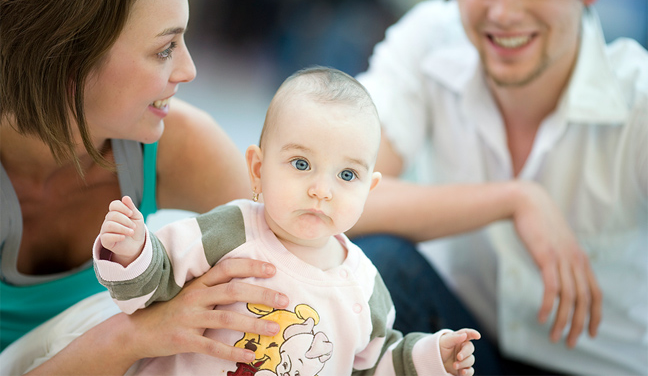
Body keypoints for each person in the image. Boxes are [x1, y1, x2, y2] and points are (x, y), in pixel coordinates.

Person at [350, 0, 647, 375]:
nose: (504, 13)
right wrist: (513, 198)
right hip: (465, 348)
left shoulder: (638, 102)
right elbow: (337, 190)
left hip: (601, 366)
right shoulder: (431, 39)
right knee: (373, 262)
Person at [95, 66, 481, 376]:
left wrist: (431, 357)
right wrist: (132, 252)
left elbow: (372, 361)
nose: (321, 190)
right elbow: (151, 286)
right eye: (301, 164)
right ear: (258, 169)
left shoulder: (364, 284)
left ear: (370, 188)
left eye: (346, 175)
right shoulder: (232, 230)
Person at [0, 0, 292, 373]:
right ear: (67, 56)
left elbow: (307, 221)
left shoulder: (175, 142)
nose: (188, 70)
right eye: (165, 48)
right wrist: (132, 336)